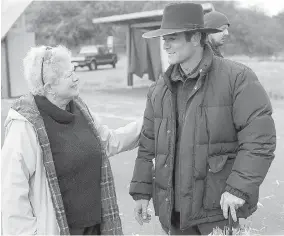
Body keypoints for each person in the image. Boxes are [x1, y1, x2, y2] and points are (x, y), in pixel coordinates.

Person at [129, 2, 276, 235]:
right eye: (164, 38)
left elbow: (259, 140)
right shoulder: (159, 89)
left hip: (217, 212)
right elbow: (148, 145)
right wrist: (141, 192)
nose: (165, 45)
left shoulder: (238, 78)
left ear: (196, 37)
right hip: (174, 214)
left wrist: (238, 189)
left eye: (173, 37)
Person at [1, 45, 142, 235]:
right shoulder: (25, 124)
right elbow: (12, 193)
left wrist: (149, 122)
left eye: (74, 71)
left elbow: (108, 142)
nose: (76, 78)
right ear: (49, 86)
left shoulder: (79, 109)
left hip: (96, 228)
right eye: (69, 75)